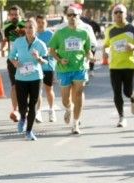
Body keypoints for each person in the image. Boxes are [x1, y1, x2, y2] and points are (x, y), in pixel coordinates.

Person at [49, 5, 92, 135]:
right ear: (66, 17)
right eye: (70, 15)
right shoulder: (60, 33)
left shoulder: (84, 33)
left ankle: (76, 123)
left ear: (79, 16)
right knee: (65, 99)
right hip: (64, 69)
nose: (72, 17)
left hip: (79, 68)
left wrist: (90, 56)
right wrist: (60, 59)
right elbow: (52, 51)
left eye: (75, 15)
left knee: (78, 94)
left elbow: (87, 50)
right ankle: (68, 109)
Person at [103, 4, 134, 128]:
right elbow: (106, 44)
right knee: (117, 93)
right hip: (115, 66)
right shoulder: (109, 30)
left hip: (129, 65)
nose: (118, 14)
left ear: (125, 14)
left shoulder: (132, 28)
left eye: (121, 12)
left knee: (127, 92)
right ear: (113, 15)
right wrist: (105, 52)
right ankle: (121, 117)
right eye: (116, 12)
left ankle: (133, 97)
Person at [8, 18, 48, 141]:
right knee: (22, 105)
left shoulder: (40, 44)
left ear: (35, 29)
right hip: (21, 77)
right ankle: (23, 118)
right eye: (27, 27)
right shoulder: (18, 42)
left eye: (31, 27)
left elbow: (46, 61)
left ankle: (29, 131)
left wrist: (39, 58)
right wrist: (15, 62)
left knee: (33, 105)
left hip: (36, 78)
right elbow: (11, 55)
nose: (28, 30)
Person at [1, 5, 26, 121]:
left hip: (26, 60)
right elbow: (6, 41)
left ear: (20, 15)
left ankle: (27, 108)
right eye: (12, 15)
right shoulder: (6, 27)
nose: (14, 17)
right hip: (12, 60)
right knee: (14, 85)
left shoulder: (26, 25)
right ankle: (15, 110)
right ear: (9, 16)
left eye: (16, 14)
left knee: (27, 85)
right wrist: (4, 47)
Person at [36, 15, 57, 122]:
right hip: (36, 67)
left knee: (49, 89)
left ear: (46, 23)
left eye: (42, 22)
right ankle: (38, 112)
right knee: (38, 90)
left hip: (48, 66)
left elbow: (55, 50)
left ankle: (51, 110)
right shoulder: (33, 35)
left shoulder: (51, 35)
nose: (40, 24)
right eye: (38, 22)